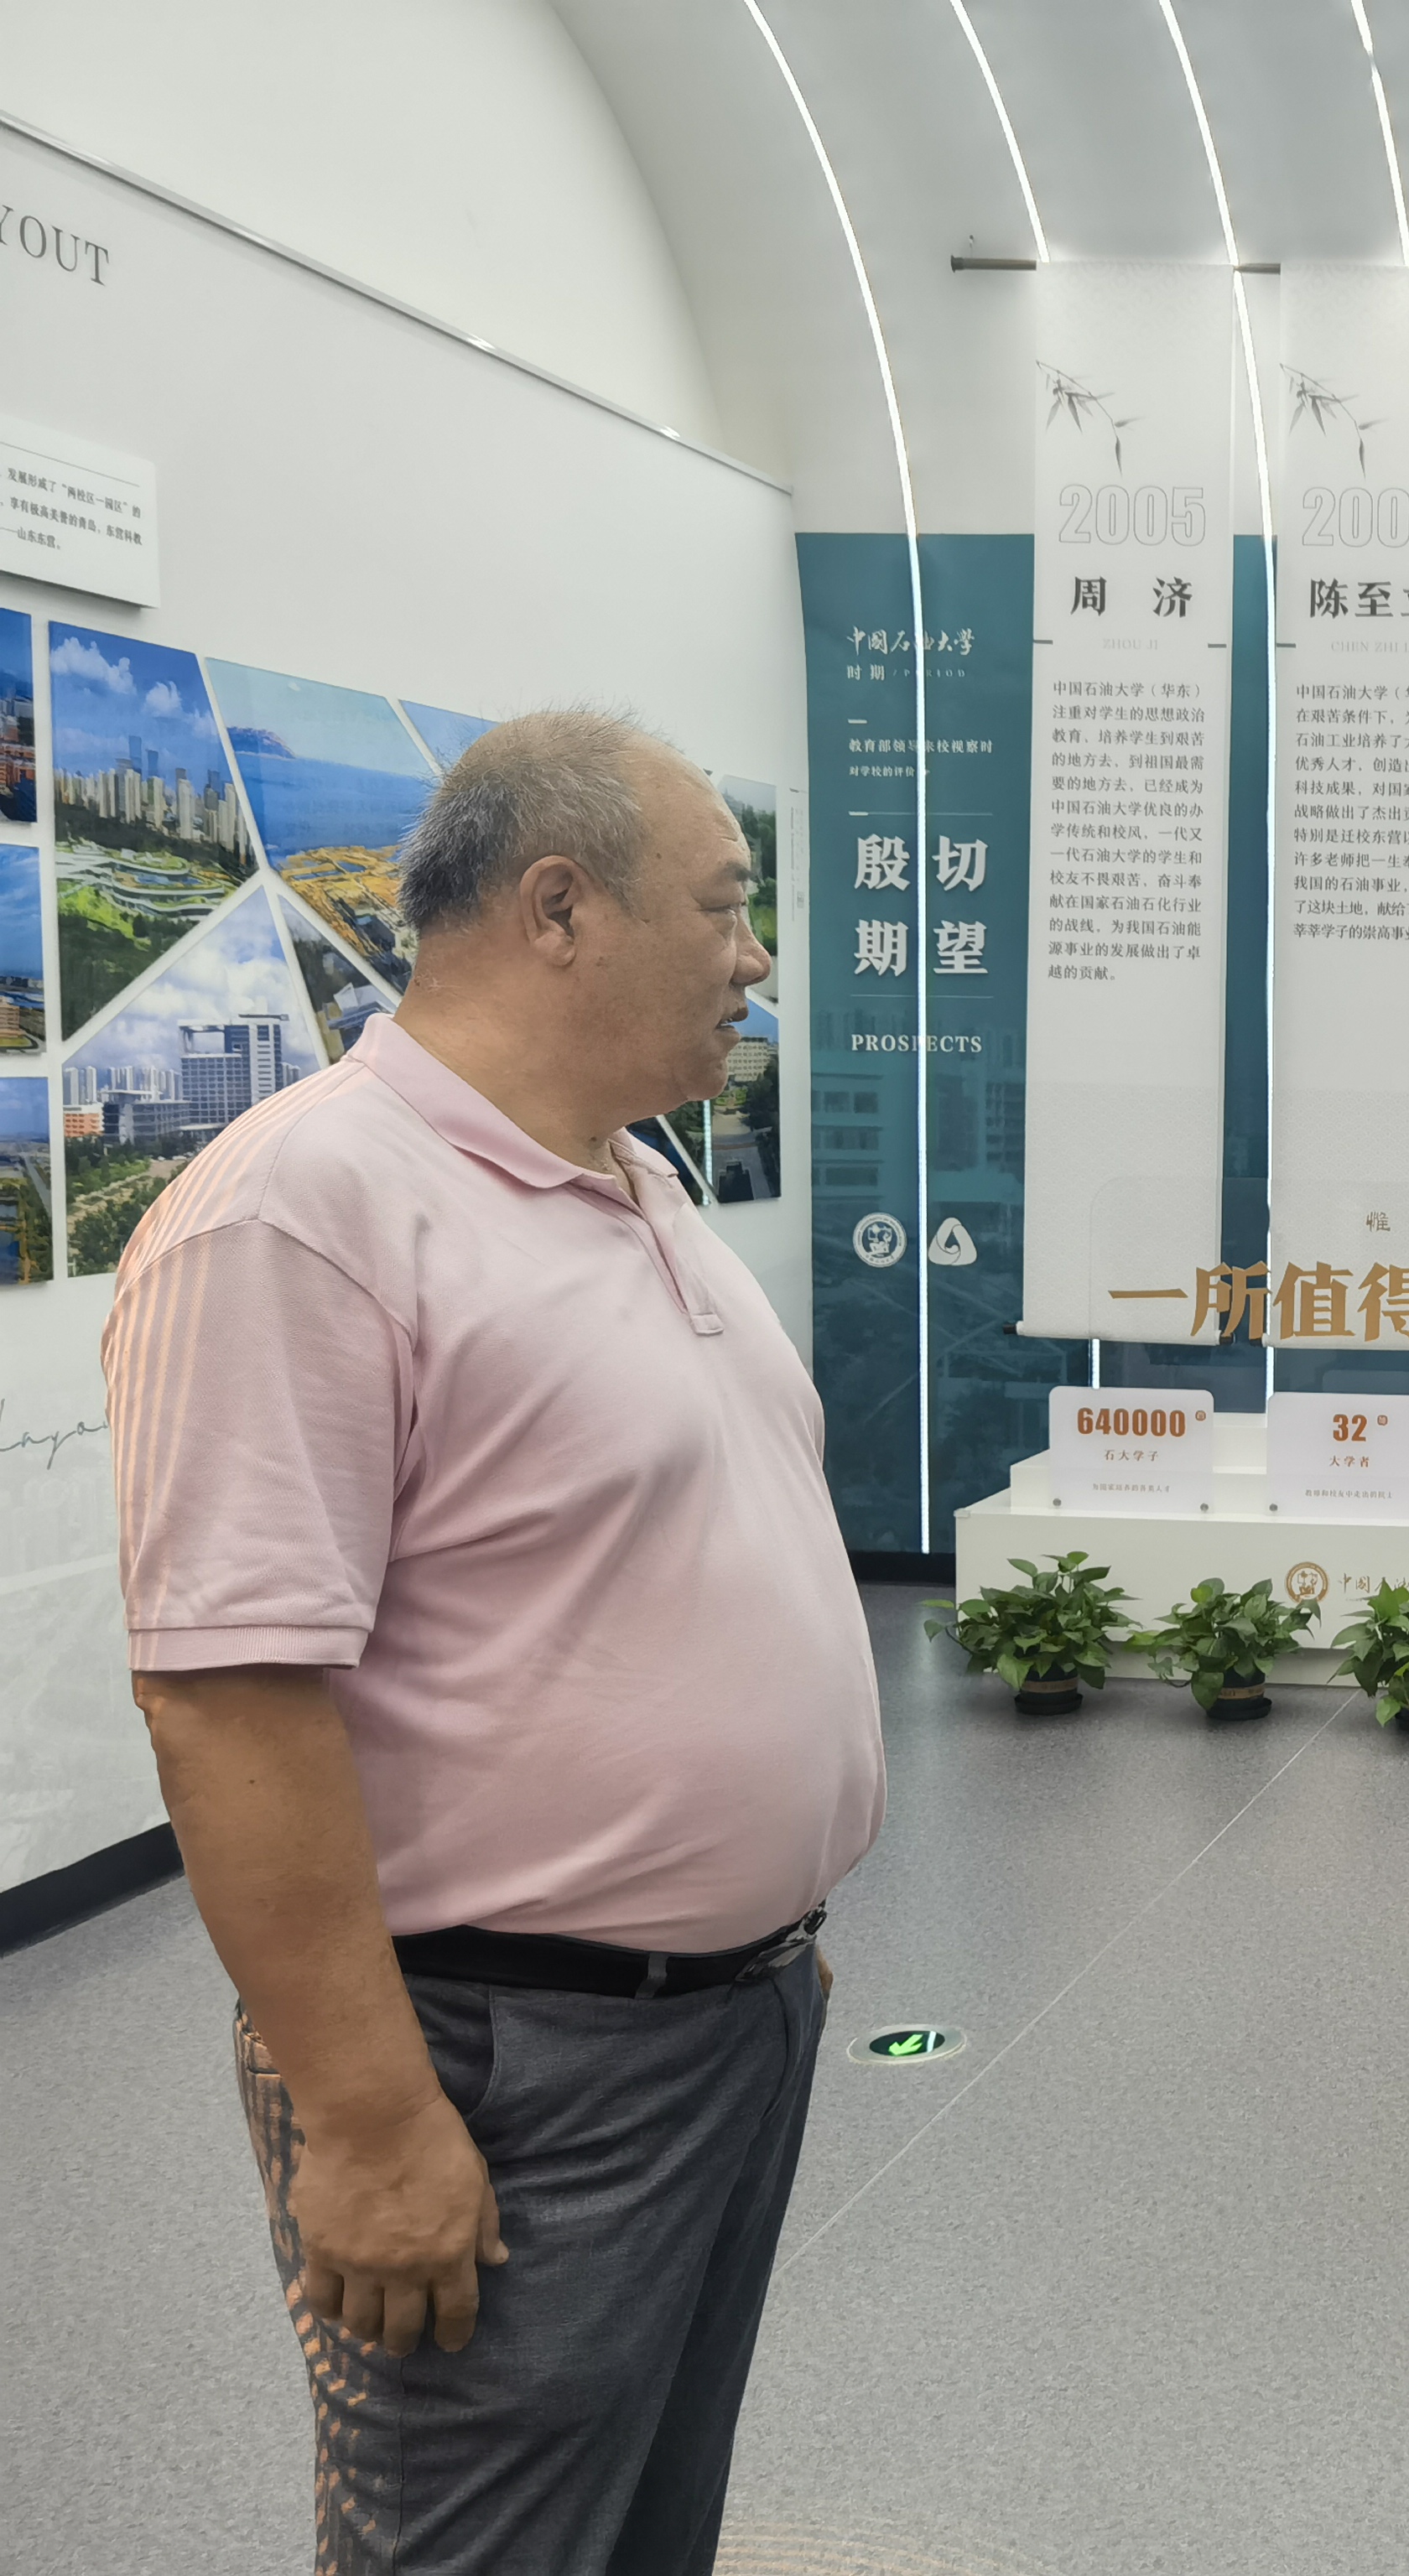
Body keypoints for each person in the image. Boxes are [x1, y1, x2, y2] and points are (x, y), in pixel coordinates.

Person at [102, 710, 882, 2576]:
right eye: (726, 904)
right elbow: (227, 1701)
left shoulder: (634, 1181)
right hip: (496, 2063)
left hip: (715, 2025)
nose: (756, 955)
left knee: (642, 2531)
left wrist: (760, 1925)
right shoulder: (302, 1213)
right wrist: (370, 2121)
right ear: (558, 909)